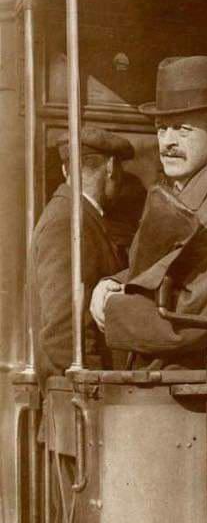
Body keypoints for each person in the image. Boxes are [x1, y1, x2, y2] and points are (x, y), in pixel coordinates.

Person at [90, 56, 207, 369]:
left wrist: (112, 307)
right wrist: (112, 283)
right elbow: (166, 269)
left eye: (182, 129)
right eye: (162, 128)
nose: (167, 142)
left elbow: (191, 320)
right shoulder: (199, 192)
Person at [28, 127, 133, 382]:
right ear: (110, 167)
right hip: (81, 401)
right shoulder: (69, 221)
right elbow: (64, 332)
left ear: (66, 170)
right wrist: (97, 393)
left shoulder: (78, 215)